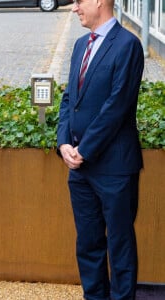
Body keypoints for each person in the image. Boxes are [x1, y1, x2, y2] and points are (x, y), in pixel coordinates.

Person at [57, 0, 144, 299]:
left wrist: (85, 149)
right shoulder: (81, 45)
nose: (74, 8)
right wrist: (64, 143)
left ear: (99, 1)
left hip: (114, 168)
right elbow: (69, 98)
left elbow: (117, 106)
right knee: (88, 244)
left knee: (119, 245)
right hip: (80, 169)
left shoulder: (128, 45)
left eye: (79, 1)